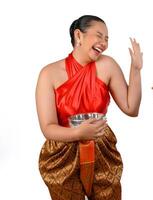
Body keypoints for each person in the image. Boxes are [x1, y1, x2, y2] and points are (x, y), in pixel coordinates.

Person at [35, 15, 143, 200]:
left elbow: (131, 108)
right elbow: (48, 128)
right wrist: (78, 134)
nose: (104, 43)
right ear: (79, 35)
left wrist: (135, 69)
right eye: (99, 36)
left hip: (101, 147)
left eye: (107, 39)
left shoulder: (107, 65)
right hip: (62, 154)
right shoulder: (49, 74)